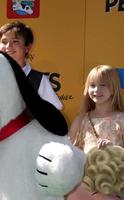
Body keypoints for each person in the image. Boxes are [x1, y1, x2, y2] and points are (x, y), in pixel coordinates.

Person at [67, 65, 124, 200]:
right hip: (86, 183)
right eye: (92, 85)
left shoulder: (121, 119)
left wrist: (114, 150)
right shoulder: (81, 120)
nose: (96, 90)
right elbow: (68, 150)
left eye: (103, 85)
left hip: (114, 184)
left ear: (113, 88)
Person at [0, 21, 63, 110]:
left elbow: (55, 110)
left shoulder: (38, 80)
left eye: (15, 41)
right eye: (4, 42)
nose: (8, 46)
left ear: (28, 47)